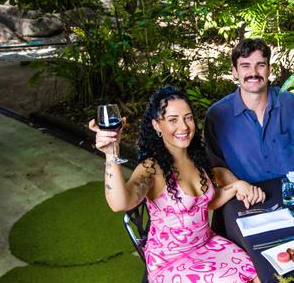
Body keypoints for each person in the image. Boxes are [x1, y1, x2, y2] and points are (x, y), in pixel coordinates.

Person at [89, 86, 260, 283]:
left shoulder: (196, 157)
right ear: (156, 125)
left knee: (259, 271)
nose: (184, 127)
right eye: (172, 120)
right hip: (171, 260)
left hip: (208, 243)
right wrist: (112, 153)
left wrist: (235, 186)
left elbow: (206, 203)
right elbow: (120, 203)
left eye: (187, 117)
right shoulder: (152, 168)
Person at [204, 39, 294, 185]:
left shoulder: (293, 102)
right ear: (235, 72)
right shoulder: (217, 115)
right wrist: (240, 188)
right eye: (245, 66)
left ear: (269, 69)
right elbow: (216, 167)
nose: (253, 73)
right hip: (249, 198)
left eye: (260, 65)